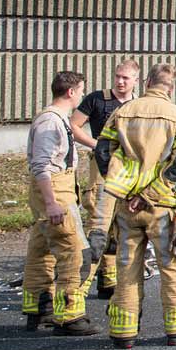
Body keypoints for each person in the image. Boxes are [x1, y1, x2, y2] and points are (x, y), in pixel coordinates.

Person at [89, 63, 176, 348]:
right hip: (162, 206)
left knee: (126, 268)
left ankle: (124, 333)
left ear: (146, 81)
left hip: (127, 207)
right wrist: (151, 192)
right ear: (171, 88)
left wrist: (122, 188)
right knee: (172, 265)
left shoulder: (123, 111)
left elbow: (102, 151)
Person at [22, 71, 98, 336]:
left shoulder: (56, 119)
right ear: (70, 92)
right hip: (55, 191)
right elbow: (41, 166)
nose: (81, 95)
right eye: (80, 90)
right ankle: (70, 317)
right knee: (74, 252)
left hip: (53, 190)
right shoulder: (51, 123)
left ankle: (38, 309)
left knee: (41, 251)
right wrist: (52, 203)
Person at [71, 59, 140, 298]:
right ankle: (77, 291)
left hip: (127, 169)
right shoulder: (96, 99)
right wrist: (96, 144)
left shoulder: (138, 104)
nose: (120, 82)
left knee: (119, 225)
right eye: (118, 76)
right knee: (98, 226)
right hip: (100, 167)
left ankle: (107, 280)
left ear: (135, 81)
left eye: (126, 78)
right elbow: (74, 125)